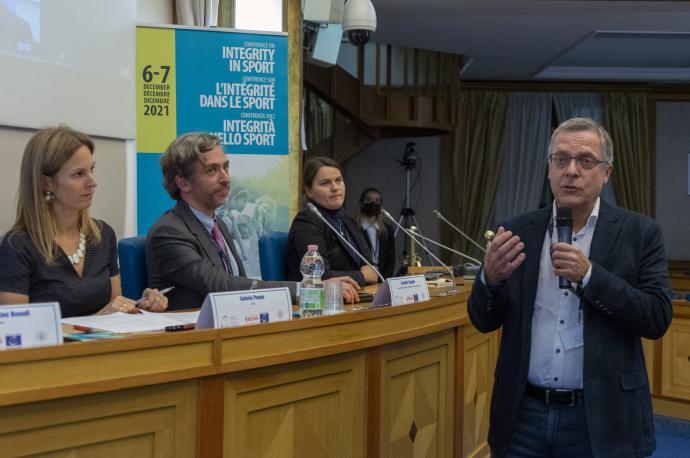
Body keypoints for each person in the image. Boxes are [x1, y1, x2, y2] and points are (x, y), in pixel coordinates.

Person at [468, 117, 672, 457]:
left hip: (602, 418)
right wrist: (490, 279)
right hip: (523, 415)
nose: (571, 171)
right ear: (549, 169)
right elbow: (483, 320)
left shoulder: (640, 233)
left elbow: (656, 317)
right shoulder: (516, 232)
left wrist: (590, 276)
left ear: (606, 173)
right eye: (560, 159)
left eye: (586, 161)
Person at [145, 133, 359, 310]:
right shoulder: (169, 231)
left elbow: (239, 284)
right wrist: (307, 290)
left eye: (226, 167)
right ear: (183, 182)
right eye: (211, 170)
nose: (225, 178)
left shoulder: (218, 224)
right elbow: (221, 285)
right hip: (196, 339)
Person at [0, 126, 168, 317]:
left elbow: (114, 307)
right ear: (47, 183)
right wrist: (99, 319)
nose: (93, 182)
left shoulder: (102, 234)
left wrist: (138, 305)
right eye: (79, 174)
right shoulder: (16, 246)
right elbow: (18, 329)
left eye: (91, 170)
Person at [285, 157, 380, 287]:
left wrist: (369, 274)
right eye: (325, 183)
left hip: (358, 293)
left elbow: (370, 268)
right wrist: (363, 276)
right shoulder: (306, 221)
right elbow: (318, 275)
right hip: (318, 297)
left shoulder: (347, 220)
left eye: (338, 180)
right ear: (309, 191)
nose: (335, 188)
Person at [355, 187, 396, 279]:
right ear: (362, 203)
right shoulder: (354, 228)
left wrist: (386, 280)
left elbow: (391, 260)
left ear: (381, 205)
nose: (373, 203)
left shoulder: (387, 229)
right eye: (368, 199)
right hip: (363, 277)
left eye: (377, 201)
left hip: (383, 277)